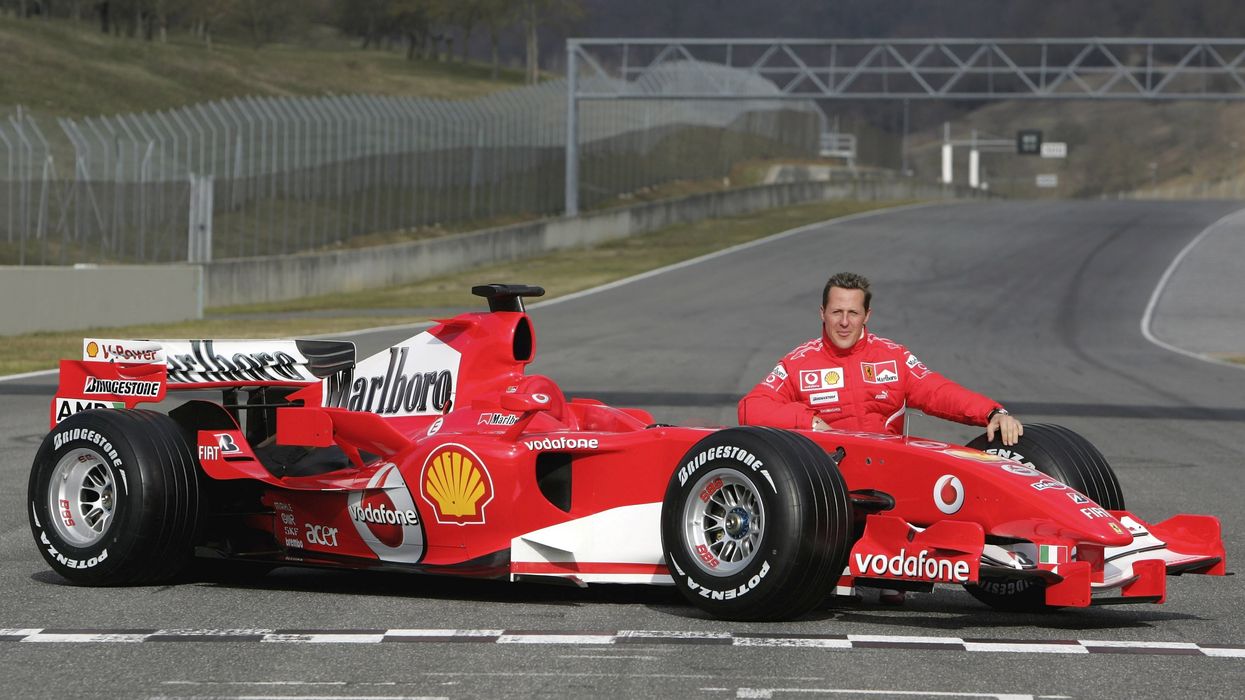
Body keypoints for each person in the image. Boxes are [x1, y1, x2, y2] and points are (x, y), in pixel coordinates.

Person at [737, 271, 1023, 605]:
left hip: (891, 488)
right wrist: (809, 421)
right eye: (836, 312)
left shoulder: (894, 357)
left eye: (853, 313)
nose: (844, 322)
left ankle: (899, 560)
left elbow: (938, 392)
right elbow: (751, 408)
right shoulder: (798, 363)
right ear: (822, 313)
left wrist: (992, 413)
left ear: (866, 316)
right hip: (830, 489)